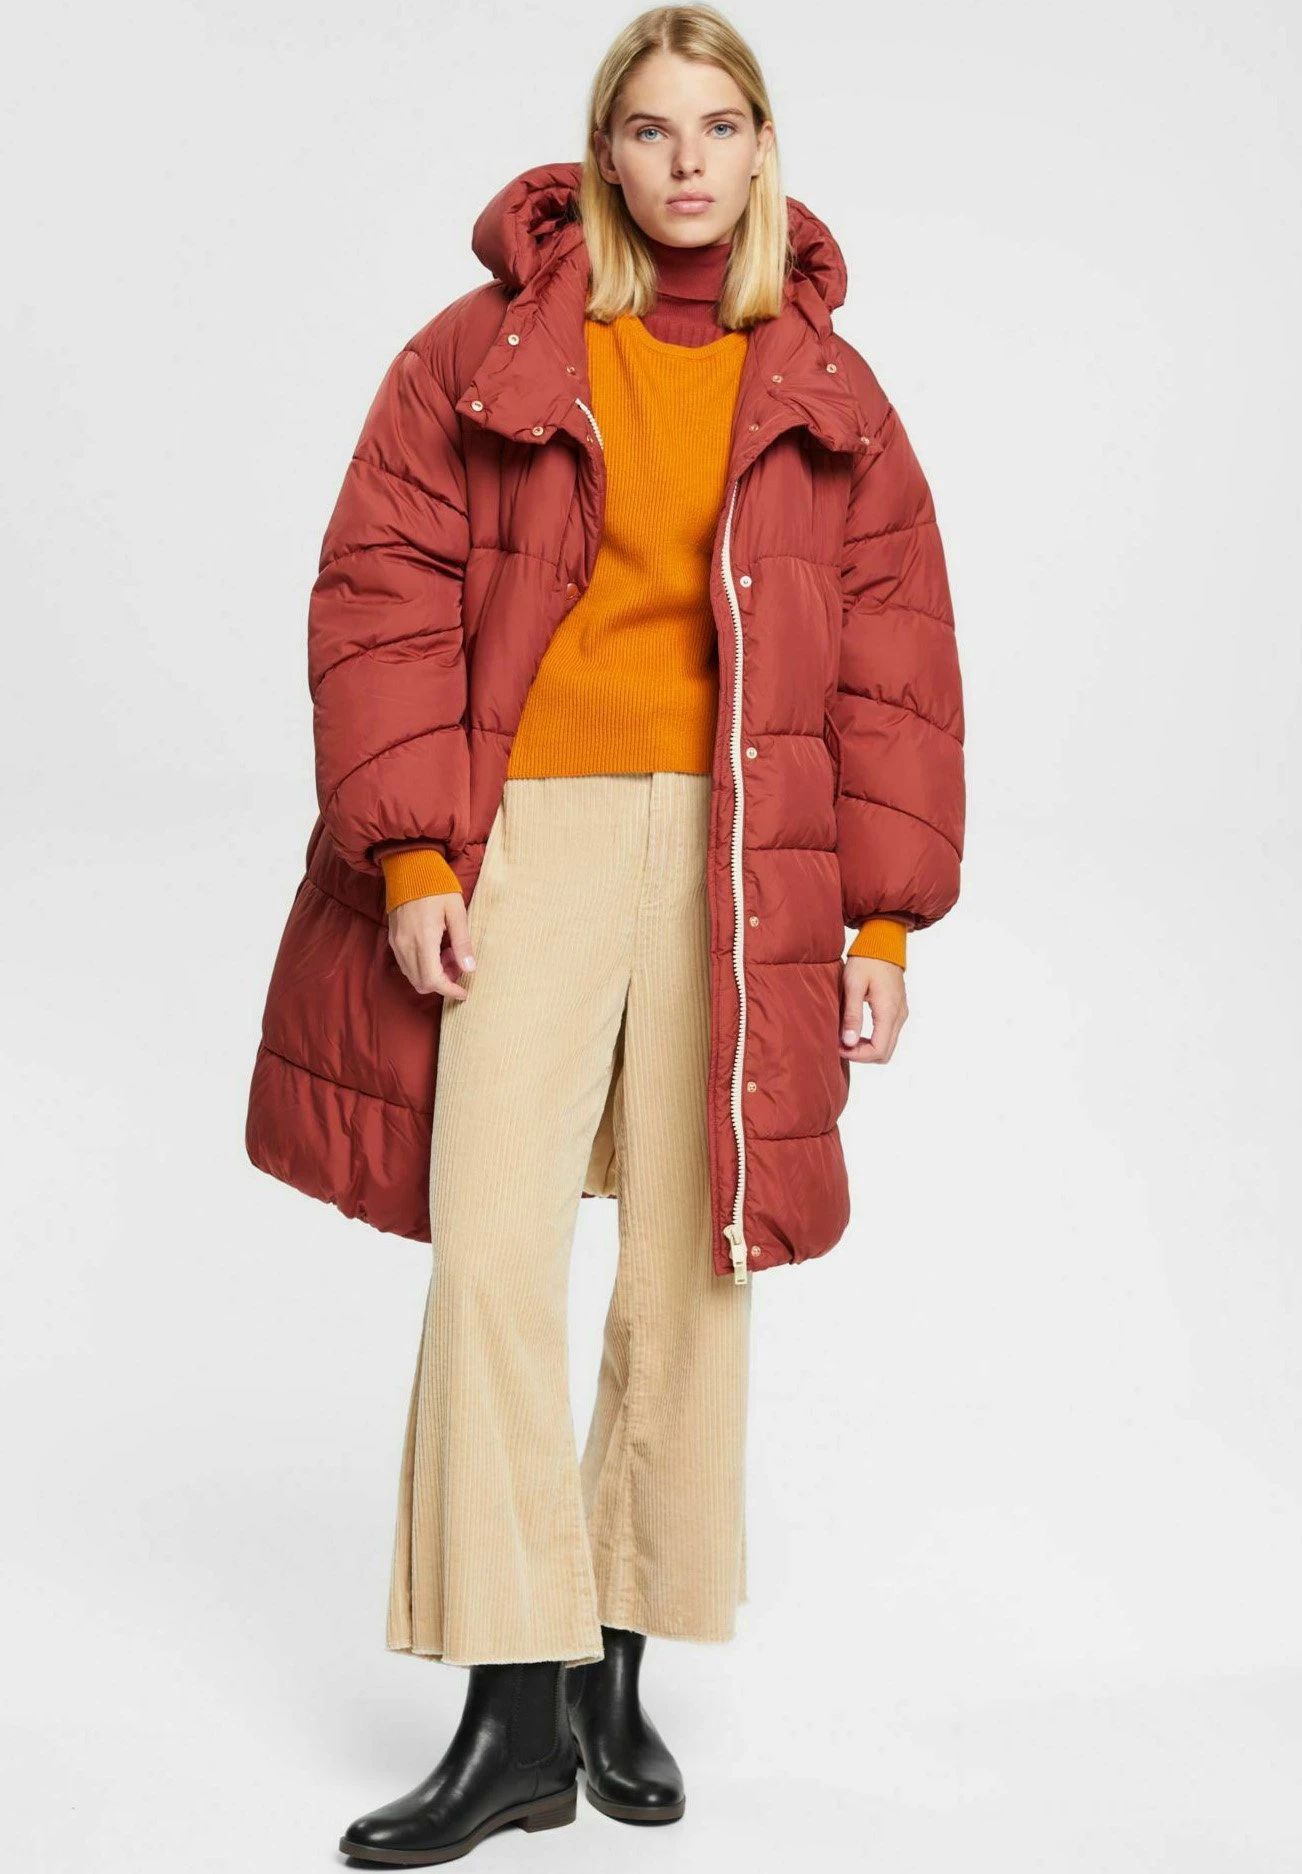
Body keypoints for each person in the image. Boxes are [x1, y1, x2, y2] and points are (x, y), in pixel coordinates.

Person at [245, 5, 965, 1863]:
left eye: (718, 126)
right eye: (650, 129)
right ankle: (510, 1710)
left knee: (689, 1257)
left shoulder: (826, 388)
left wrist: (882, 917)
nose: (686, 161)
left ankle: (612, 1668)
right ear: (602, 153)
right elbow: (378, 593)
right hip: (528, 837)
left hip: (740, 848)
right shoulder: (479, 353)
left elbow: (892, 662)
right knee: (490, 1247)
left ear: (761, 147)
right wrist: (417, 862)